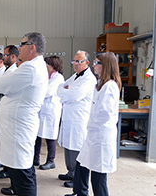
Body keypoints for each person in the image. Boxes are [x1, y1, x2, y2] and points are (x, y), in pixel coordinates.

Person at [0, 32, 48, 196]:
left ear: (32, 47)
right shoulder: (29, 66)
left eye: (22, 44)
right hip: (16, 129)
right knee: (20, 171)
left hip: (19, 130)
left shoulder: (31, 68)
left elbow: (1, 84)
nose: (19, 48)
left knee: (23, 174)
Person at [65, 52, 121, 196]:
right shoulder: (100, 83)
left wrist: (90, 125)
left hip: (101, 136)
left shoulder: (110, 86)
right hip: (93, 135)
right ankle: (80, 192)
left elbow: (105, 114)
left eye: (97, 63)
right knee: (82, 163)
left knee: (98, 176)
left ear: (106, 66)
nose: (94, 66)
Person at [57, 50, 97, 188]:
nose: (75, 64)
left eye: (78, 61)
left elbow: (74, 96)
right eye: (74, 61)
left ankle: (76, 177)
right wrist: (66, 91)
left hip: (79, 119)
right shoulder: (76, 76)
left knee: (76, 149)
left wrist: (66, 92)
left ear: (87, 63)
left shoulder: (89, 79)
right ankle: (70, 171)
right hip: (69, 117)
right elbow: (59, 89)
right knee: (68, 147)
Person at [33, 56, 65, 170]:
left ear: (53, 66)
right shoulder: (46, 76)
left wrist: (37, 91)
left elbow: (47, 91)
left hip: (51, 111)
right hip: (42, 110)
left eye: (47, 64)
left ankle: (51, 161)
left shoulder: (58, 78)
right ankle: (35, 158)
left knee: (50, 137)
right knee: (37, 135)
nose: (45, 66)